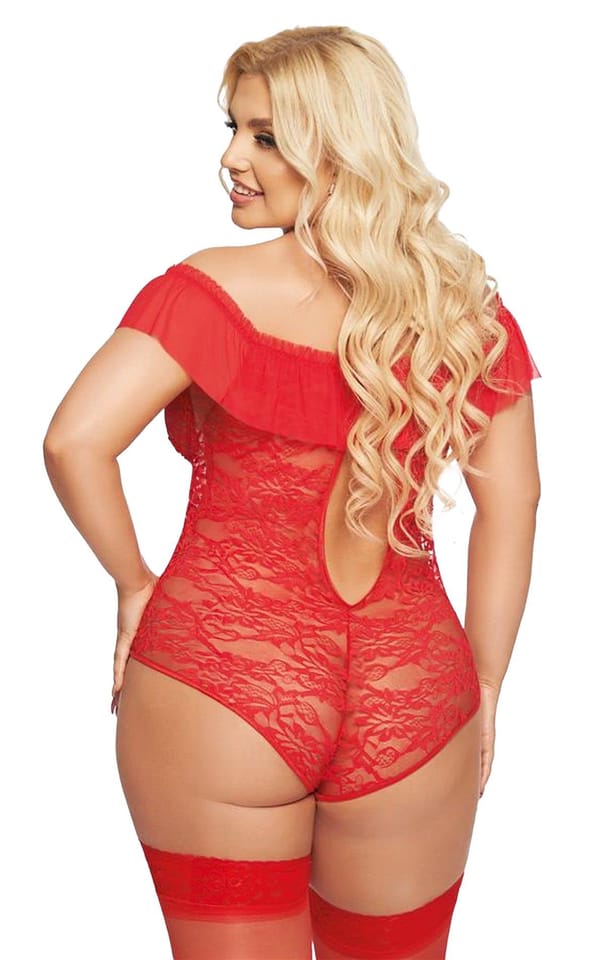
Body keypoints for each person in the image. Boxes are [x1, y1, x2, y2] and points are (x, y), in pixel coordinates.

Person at [42, 24, 541, 960]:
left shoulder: (207, 290)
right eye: (233, 128)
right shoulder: (466, 311)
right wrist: (485, 681)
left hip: (224, 674)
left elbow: (74, 441)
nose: (231, 158)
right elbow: (514, 505)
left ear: (339, 147)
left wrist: (134, 584)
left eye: (265, 137)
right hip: (414, 689)